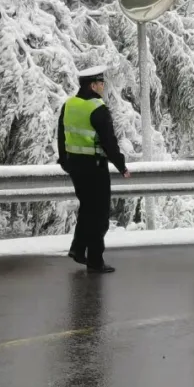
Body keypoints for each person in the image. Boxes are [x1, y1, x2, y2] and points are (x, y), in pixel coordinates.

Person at [57, 65, 130, 273]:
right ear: (92, 85)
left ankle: (79, 250)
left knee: (87, 209)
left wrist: (65, 161)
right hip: (95, 167)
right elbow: (109, 142)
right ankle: (95, 260)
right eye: (101, 83)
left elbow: (61, 135)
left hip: (75, 166)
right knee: (99, 214)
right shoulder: (97, 108)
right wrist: (121, 165)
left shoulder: (69, 105)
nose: (103, 87)